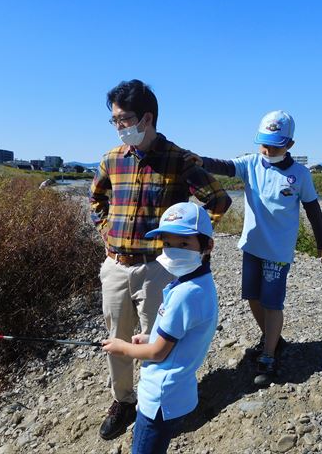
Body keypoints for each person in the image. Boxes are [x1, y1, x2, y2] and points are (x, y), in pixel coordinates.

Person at [90, 79, 230, 440]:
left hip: (158, 268)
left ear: (147, 117)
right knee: (117, 338)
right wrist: (107, 231)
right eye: (115, 121)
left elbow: (218, 200)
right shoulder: (110, 160)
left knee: (159, 342)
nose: (120, 127)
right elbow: (96, 201)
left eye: (124, 119)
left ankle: (161, 408)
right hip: (116, 264)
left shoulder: (179, 160)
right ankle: (123, 401)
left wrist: (194, 242)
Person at [186, 110, 322, 386]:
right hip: (251, 246)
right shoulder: (252, 163)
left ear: (289, 145)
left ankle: (268, 356)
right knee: (253, 297)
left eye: (274, 145)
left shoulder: (300, 174)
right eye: (263, 143)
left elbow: (312, 208)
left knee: (272, 303)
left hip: (278, 252)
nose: (267, 150)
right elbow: (226, 165)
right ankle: (273, 339)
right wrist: (200, 160)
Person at [102, 202, 218, 454]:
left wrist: (122, 347)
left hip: (159, 397)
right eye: (168, 244)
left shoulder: (185, 294)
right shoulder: (200, 283)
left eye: (184, 244)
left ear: (208, 245)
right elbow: (180, 334)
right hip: (178, 391)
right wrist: (150, 336)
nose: (174, 251)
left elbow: (158, 353)